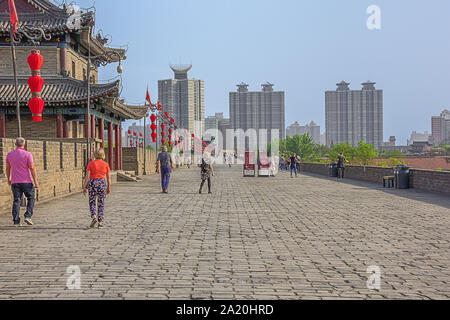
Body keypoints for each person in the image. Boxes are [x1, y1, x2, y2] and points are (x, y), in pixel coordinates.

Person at [6, 137, 39, 227]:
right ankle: (28, 216)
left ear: (15, 144)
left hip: (15, 182)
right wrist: (36, 181)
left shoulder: (9, 155)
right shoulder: (28, 154)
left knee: (17, 200)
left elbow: (8, 168)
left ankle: (16, 221)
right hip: (26, 181)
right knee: (31, 198)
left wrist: (9, 178)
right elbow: (32, 168)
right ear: (24, 145)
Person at [83, 149, 111, 229]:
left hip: (93, 183)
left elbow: (87, 176)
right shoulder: (106, 164)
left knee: (92, 201)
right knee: (101, 203)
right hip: (102, 183)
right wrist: (109, 187)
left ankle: (94, 216)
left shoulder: (91, 164)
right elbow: (108, 178)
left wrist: (84, 186)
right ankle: (100, 222)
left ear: (95, 155)